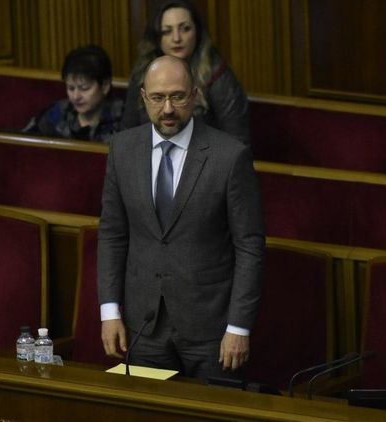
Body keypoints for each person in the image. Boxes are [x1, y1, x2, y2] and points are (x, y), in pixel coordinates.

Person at [98, 55, 264, 380]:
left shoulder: (230, 156)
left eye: (177, 97)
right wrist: (109, 311)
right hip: (144, 326)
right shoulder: (122, 149)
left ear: (194, 95)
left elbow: (250, 246)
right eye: (158, 98)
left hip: (212, 329)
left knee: (212, 408)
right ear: (143, 97)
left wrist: (239, 327)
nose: (168, 109)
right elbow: (112, 234)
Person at [120, 0, 250, 145]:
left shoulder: (218, 76)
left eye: (185, 29)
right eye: (167, 31)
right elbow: (127, 132)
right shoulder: (143, 72)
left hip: (205, 157)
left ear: (197, 32)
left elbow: (237, 143)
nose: (177, 38)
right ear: (157, 37)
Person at [23, 45, 123, 142]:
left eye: (84, 88)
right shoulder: (58, 112)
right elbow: (24, 143)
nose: (76, 96)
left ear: (105, 86)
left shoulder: (123, 118)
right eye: (71, 88)